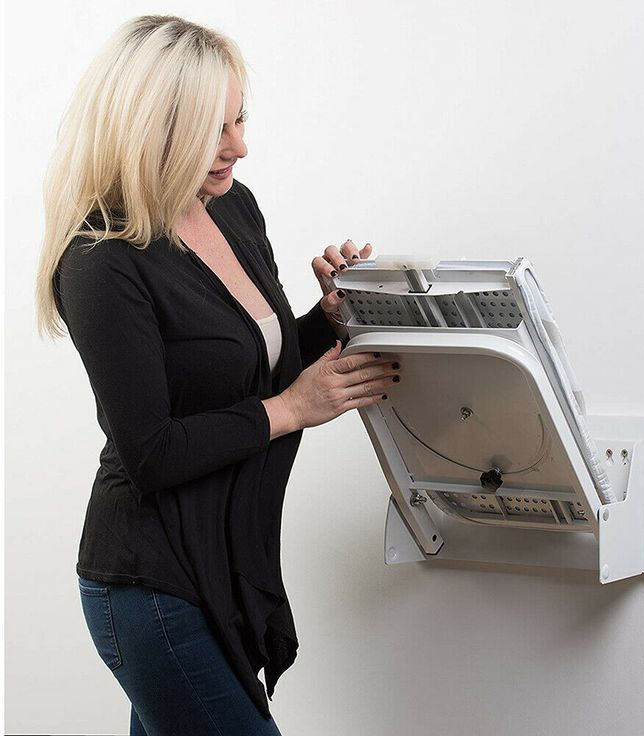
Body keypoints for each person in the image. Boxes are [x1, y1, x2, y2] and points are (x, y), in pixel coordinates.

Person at [35, 14, 401, 736]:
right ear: (148, 128)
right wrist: (293, 410)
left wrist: (328, 317)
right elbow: (152, 451)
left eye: (239, 119)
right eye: (213, 128)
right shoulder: (102, 261)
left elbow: (246, 369)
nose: (239, 145)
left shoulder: (232, 208)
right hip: (148, 581)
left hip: (223, 569)